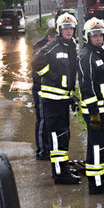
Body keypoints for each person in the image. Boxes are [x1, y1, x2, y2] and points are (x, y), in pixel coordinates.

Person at [32, 12, 80, 185]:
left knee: (64, 136)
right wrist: (52, 76)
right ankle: (59, 174)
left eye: (71, 28)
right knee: (56, 137)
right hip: (52, 101)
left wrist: (71, 95)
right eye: (66, 28)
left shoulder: (70, 45)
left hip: (63, 100)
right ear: (60, 29)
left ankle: (63, 169)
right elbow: (36, 62)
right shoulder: (53, 45)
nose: (69, 31)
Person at [77, 18, 104, 194]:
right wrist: (94, 113)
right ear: (87, 37)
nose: (98, 38)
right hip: (94, 112)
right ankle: (96, 185)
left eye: (100, 35)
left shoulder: (98, 53)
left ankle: (103, 176)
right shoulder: (87, 56)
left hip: (102, 109)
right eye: (94, 35)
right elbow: (86, 86)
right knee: (96, 146)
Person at [31, 27, 57, 160]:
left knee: (47, 120)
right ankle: (42, 151)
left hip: (47, 89)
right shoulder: (41, 51)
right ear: (49, 38)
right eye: (55, 38)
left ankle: (47, 148)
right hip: (40, 89)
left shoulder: (48, 49)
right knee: (42, 120)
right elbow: (37, 73)